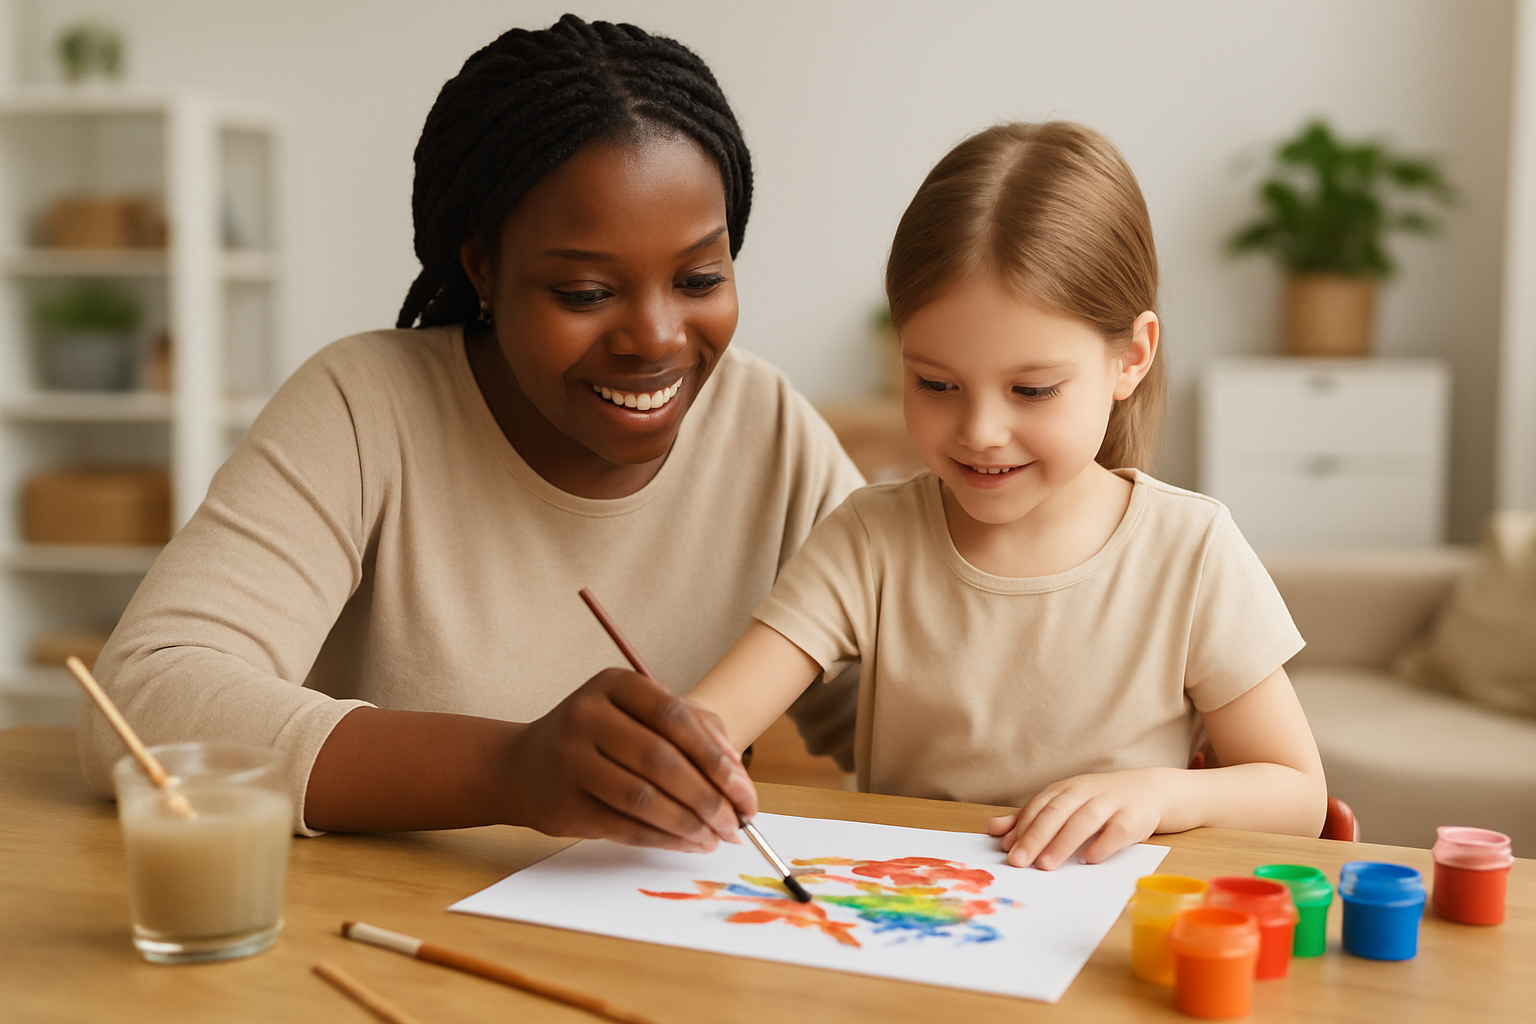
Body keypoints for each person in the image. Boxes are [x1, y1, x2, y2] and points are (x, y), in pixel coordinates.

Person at [78, 15, 862, 850]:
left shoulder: (767, 430)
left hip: (656, 956)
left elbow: (905, 704)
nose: (658, 338)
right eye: (587, 292)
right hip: (372, 944)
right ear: (481, 266)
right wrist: (509, 769)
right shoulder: (364, 409)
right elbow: (140, 698)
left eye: (701, 276)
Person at [688, 121, 1327, 869]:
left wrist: (1161, 795)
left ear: (1131, 358)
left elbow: (1298, 797)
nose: (981, 431)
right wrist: (672, 752)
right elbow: (710, 728)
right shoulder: (869, 539)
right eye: (935, 383)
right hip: (906, 924)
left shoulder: (1190, 550)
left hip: (1103, 952)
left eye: (1031, 389)